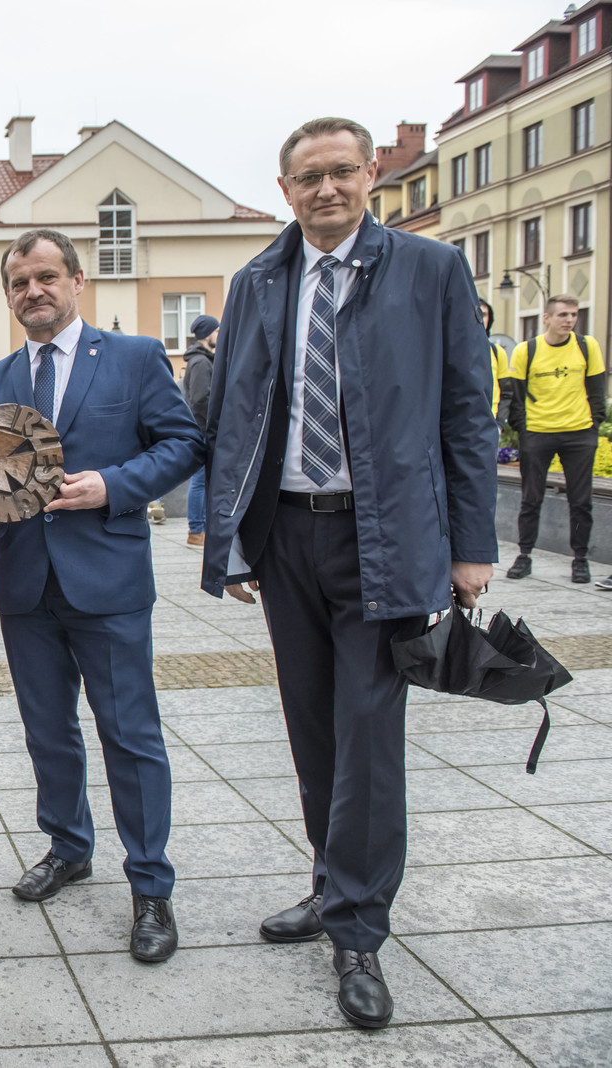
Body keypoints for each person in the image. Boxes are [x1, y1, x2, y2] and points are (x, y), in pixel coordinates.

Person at [201, 117, 495, 1029]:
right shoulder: (258, 280)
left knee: (368, 735)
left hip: (386, 533)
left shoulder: (429, 270)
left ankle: (360, 931)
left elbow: (466, 411)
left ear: (370, 175)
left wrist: (471, 544)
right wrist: (229, 537)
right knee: (313, 727)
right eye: (308, 177)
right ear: (285, 189)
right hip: (288, 533)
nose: (325, 189)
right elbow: (235, 414)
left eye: (341, 172)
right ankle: (333, 884)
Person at [0, 228, 200, 961]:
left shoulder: (135, 357)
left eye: (47, 277)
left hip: (107, 578)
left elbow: (182, 444)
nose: (34, 291)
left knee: (130, 736)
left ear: (77, 281)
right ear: (8, 295)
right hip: (25, 581)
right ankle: (69, 847)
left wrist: (114, 485)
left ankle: (150, 886)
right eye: (20, 283)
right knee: (47, 732)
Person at [500, 294, 604, 584]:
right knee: (531, 499)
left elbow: (597, 390)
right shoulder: (526, 350)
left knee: (581, 501)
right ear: (546, 318)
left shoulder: (587, 346)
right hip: (538, 433)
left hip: (579, 433)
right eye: (563, 315)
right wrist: (524, 430)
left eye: (574, 314)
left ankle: (580, 559)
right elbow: (515, 396)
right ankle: (524, 556)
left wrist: (593, 426)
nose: (569, 320)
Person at [180, 316, 218, 548]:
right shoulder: (201, 362)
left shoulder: (200, 360)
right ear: (207, 334)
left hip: (199, 427)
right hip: (202, 429)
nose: (219, 334)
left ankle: (198, 529)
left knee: (200, 481)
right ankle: (196, 530)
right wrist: (206, 430)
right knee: (199, 481)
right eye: (217, 331)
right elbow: (201, 399)